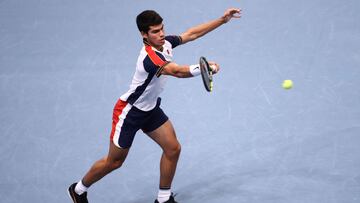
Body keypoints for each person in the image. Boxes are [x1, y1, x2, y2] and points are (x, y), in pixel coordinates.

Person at [68, 7, 241, 203]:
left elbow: (191, 34)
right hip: (129, 113)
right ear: (144, 34)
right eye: (155, 32)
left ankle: (163, 199)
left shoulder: (165, 44)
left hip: (150, 110)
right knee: (114, 162)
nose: (161, 34)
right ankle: (78, 189)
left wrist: (222, 20)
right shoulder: (149, 58)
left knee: (173, 148)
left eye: (162, 29)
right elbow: (176, 71)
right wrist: (203, 68)